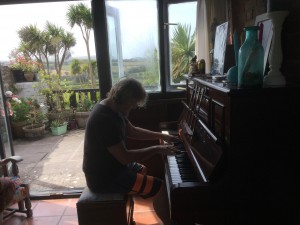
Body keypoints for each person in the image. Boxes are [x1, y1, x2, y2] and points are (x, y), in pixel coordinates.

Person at [83, 77, 180, 224]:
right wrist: (157, 149)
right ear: (125, 99)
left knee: (142, 170)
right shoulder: (105, 119)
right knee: (161, 189)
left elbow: (133, 131)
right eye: (133, 103)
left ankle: (127, 215)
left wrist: (161, 136)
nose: (134, 107)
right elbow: (125, 158)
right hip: (103, 178)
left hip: (112, 168)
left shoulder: (113, 108)